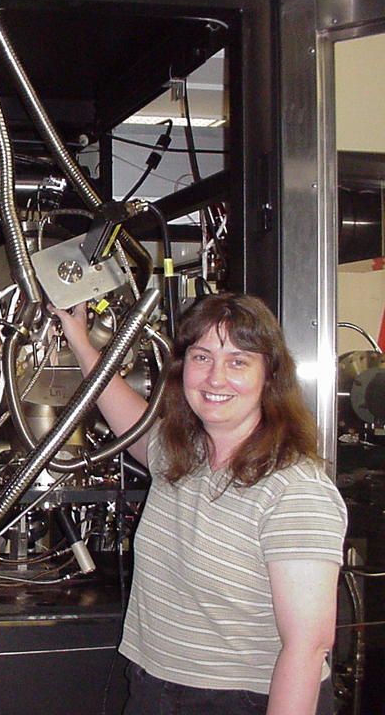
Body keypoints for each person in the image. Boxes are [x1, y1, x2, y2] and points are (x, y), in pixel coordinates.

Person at [52, 292, 347, 715]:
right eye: (202, 357)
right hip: (155, 686)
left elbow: (309, 645)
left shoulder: (293, 490)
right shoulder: (183, 453)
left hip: (244, 701)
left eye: (238, 361)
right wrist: (80, 341)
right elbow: (132, 423)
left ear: (270, 376)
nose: (215, 378)